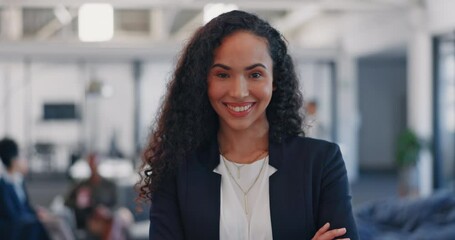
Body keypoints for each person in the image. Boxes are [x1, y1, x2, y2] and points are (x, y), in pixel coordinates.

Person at [138, 10, 358, 240]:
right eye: (223, 75)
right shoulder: (176, 170)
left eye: (255, 74)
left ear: (275, 81)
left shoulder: (321, 162)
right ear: (203, 81)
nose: (239, 92)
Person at [0, 137, 50, 240]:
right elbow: (12, 215)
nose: (25, 160)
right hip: (12, 229)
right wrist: (36, 218)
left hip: (25, 224)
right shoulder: (3, 185)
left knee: (51, 222)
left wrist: (36, 213)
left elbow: (26, 206)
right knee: (38, 226)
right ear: (14, 160)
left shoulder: (20, 181)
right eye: (21, 157)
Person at [65, 153, 117, 232]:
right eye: (91, 164)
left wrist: (107, 211)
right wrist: (80, 203)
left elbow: (116, 204)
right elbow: (67, 202)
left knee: (115, 221)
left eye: (94, 164)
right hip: (88, 219)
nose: (93, 167)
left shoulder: (109, 185)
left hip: (106, 218)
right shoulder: (82, 185)